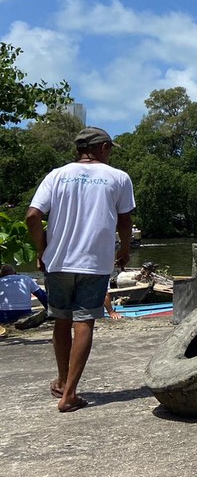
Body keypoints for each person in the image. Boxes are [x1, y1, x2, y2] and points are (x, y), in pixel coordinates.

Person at [26, 127, 135, 412]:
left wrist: (42, 249)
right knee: (84, 322)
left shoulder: (56, 175)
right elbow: (125, 221)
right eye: (109, 149)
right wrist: (124, 249)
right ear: (102, 148)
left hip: (58, 261)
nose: (110, 154)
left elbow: (32, 215)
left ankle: (63, 382)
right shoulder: (118, 178)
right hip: (95, 263)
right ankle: (69, 395)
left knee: (61, 321)